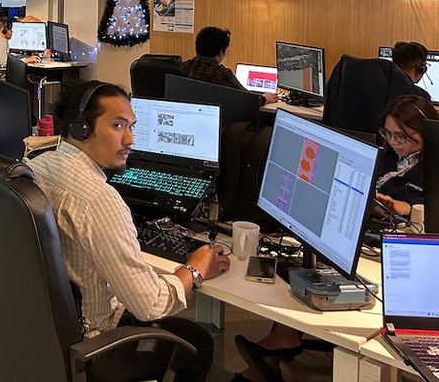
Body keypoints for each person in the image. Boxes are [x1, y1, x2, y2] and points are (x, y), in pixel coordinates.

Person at [32, 80, 229, 382]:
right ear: (81, 128)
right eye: (118, 125)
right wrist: (196, 269)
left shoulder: (36, 165)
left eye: (132, 126)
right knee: (199, 344)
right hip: (92, 344)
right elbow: (149, 305)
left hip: (41, 329)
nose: (130, 139)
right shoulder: (98, 199)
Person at [234, 93, 438, 382]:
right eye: (388, 133)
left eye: (402, 136)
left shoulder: (432, 166)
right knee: (302, 266)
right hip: (359, 230)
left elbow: (428, 214)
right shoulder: (388, 154)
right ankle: (280, 343)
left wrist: (402, 208)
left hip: (399, 247)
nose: (393, 141)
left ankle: (276, 350)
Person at [182, 26, 278, 104]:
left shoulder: (183, 67)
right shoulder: (221, 73)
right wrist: (265, 98)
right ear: (221, 52)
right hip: (221, 124)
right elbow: (249, 100)